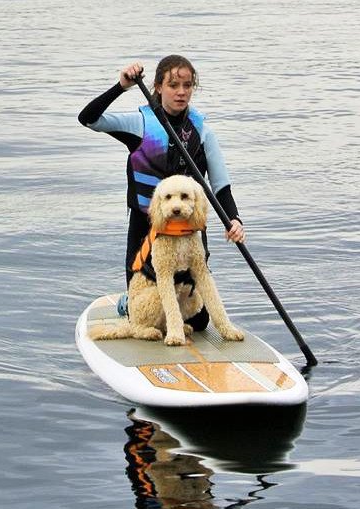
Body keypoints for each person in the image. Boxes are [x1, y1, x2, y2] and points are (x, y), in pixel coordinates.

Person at [78, 55, 245, 330]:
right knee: (146, 318)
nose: (181, 92)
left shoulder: (203, 132)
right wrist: (121, 86)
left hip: (188, 231)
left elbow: (220, 186)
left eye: (187, 85)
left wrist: (235, 219)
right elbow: (88, 118)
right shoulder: (139, 124)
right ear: (158, 87)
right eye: (173, 85)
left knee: (200, 321)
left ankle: (175, 309)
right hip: (147, 228)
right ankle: (128, 302)